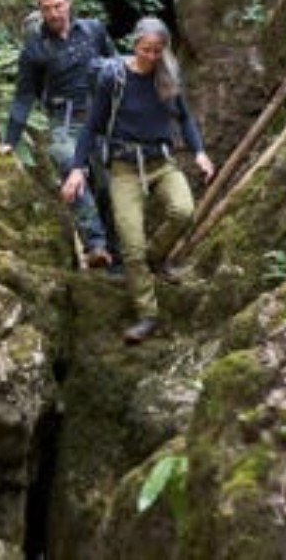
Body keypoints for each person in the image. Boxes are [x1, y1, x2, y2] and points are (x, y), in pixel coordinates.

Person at [61, 17, 214, 344]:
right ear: (134, 45)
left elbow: (184, 118)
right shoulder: (113, 78)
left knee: (183, 211)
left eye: (157, 51)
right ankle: (148, 315)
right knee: (130, 246)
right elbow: (91, 127)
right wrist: (77, 168)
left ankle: (154, 258)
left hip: (162, 162)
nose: (151, 57)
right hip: (125, 168)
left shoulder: (168, 75)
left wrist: (199, 152)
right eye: (145, 50)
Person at [4, 0, 117, 269]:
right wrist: (9, 141)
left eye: (58, 6)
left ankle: (115, 256)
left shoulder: (93, 31)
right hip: (64, 123)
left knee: (107, 185)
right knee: (70, 165)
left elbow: (116, 66)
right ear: (40, 11)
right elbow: (24, 96)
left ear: (68, 2)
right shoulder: (35, 50)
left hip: (101, 118)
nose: (54, 13)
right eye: (47, 9)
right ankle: (95, 245)